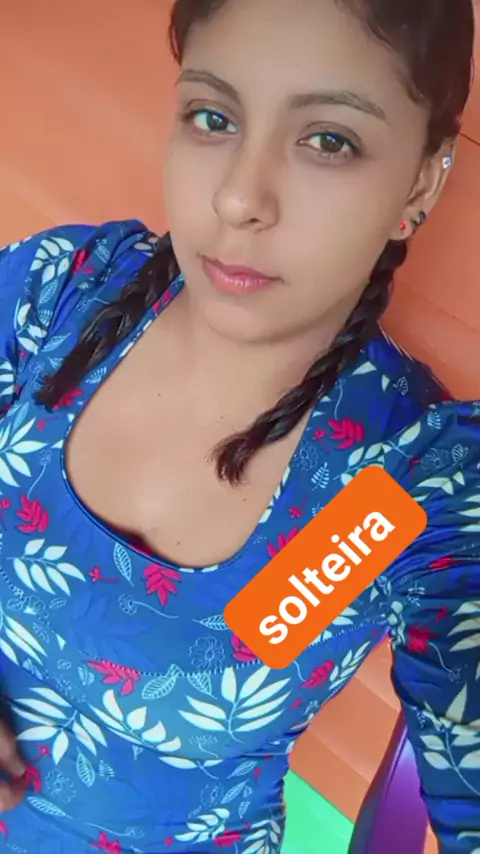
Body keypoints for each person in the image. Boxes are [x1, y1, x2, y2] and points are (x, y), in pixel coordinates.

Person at [0, 0, 478, 851]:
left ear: (420, 182)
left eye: (328, 139)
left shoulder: (412, 484)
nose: (238, 198)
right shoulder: (60, 294)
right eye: (213, 117)